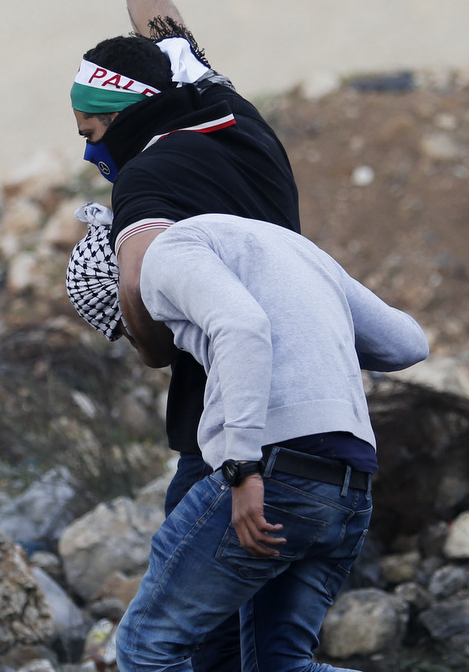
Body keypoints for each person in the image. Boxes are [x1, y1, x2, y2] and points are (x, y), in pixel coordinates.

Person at [67, 0, 302, 669]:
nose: (91, 150)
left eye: (93, 130)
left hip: (226, 442)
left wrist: (131, 325)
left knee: (166, 650)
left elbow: (141, 293)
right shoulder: (225, 110)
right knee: (273, 658)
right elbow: (164, 31)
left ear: (126, 117)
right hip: (316, 427)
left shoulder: (148, 180)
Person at [64, 210, 427, 672]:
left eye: (128, 330)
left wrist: (242, 468)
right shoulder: (288, 248)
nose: (148, 344)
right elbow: (406, 343)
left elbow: (241, 327)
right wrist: (315, 334)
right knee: (279, 664)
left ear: (125, 294)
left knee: (145, 647)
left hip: (275, 475)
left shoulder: (161, 257)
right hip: (349, 486)